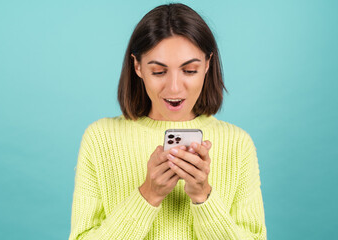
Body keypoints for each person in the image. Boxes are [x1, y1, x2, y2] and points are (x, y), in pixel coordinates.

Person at [69, 3, 267, 240]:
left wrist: (203, 197)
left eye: (190, 70)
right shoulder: (100, 138)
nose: (174, 88)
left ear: (207, 64)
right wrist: (148, 195)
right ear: (137, 67)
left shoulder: (238, 144)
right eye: (159, 72)